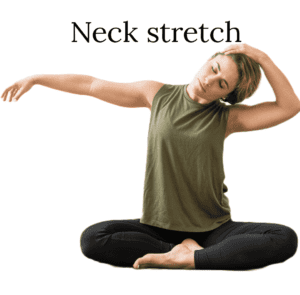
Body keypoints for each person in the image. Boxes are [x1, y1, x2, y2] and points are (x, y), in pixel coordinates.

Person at [2, 44, 299, 271]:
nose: (211, 80)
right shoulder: (156, 94)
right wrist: (37, 78)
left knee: (284, 238)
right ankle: (178, 249)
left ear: (228, 94)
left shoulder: (228, 117)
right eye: (214, 68)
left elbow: (289, 106)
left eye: (222, 83)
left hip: (213, 228)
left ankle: (191, 257)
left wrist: (261, 57)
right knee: (94, 238)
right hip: (158, 227)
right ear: (207, 61)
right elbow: (91, 84)